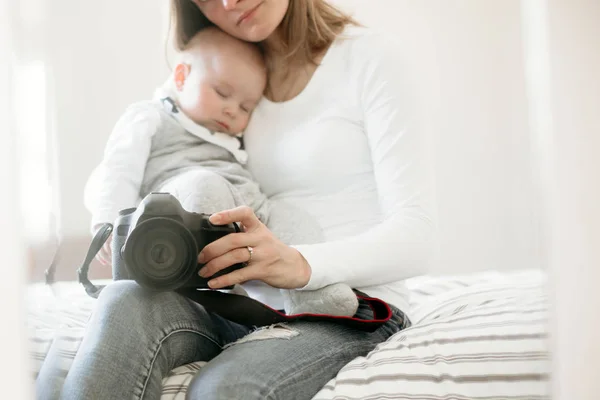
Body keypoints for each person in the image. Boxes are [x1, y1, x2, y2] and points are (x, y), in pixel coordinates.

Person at [36, 0, 436, 398]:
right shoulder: (225, 66)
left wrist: (300, 265)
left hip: (346, 304)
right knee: (123, 301)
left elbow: (418, 236)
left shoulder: (370, 57)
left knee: (223, 389)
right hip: (239, 301)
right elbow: (129, 156)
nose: (229, 3)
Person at [83, 25, 358, 318]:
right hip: (184, 211)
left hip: (251, 210)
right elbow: (118, 169)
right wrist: (107, 221)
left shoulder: (230, 137)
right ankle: (219, 295)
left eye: (245, 107)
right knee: (203, 185)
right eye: (222, 93)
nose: (232, 110)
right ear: (181, 77)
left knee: (296, 220)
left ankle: (315, 299)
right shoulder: (151, 116)